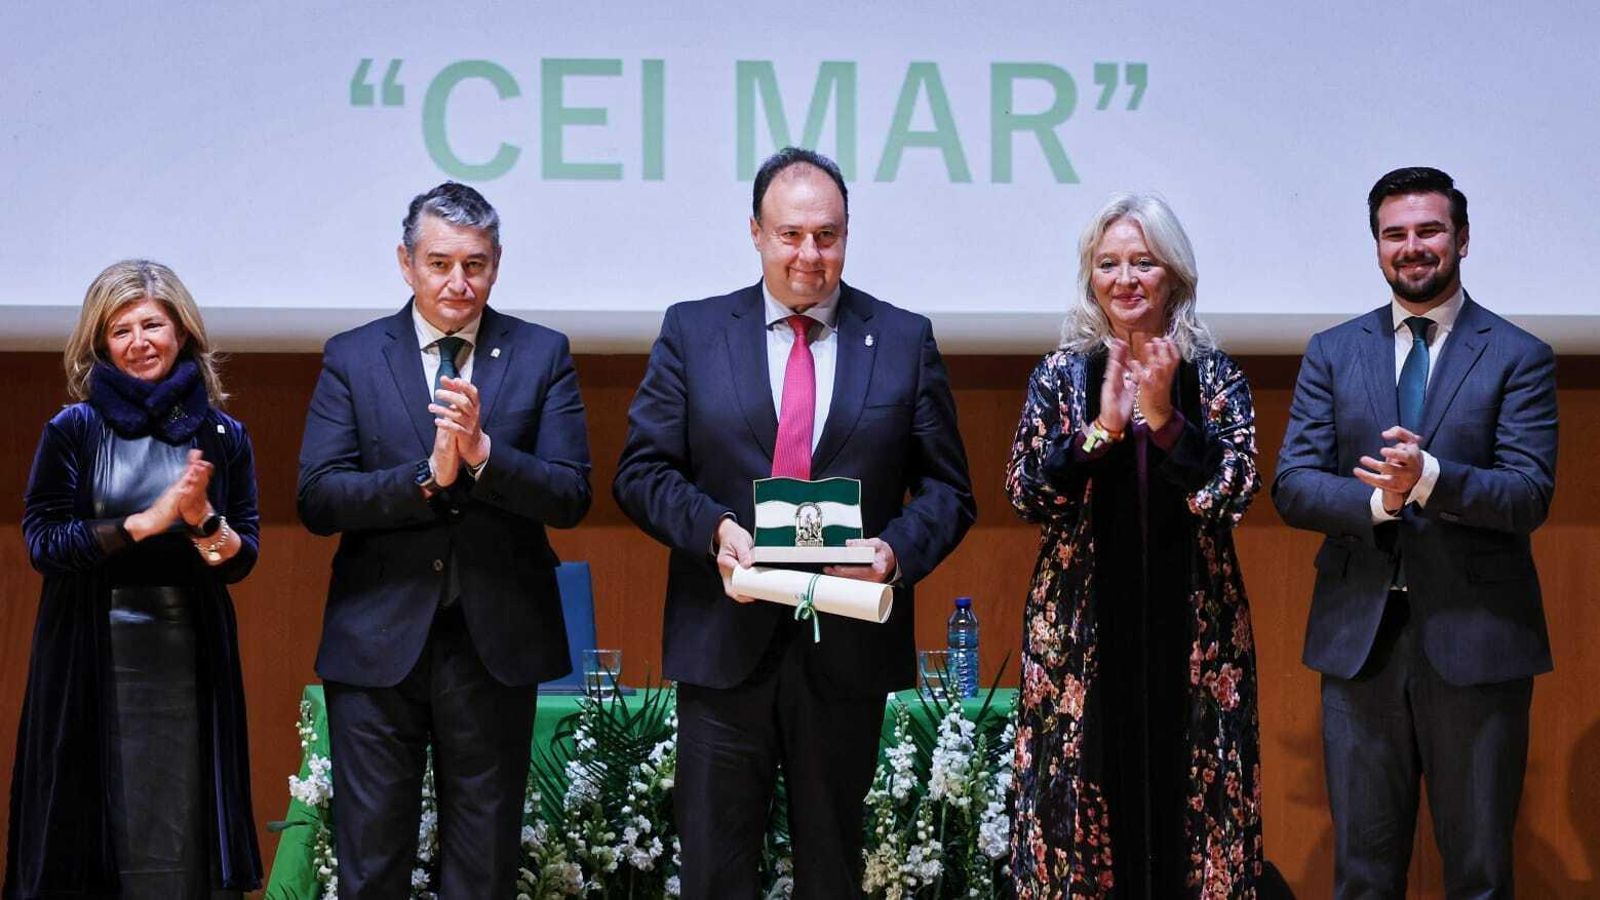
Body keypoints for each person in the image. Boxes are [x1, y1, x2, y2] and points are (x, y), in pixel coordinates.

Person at [613, 147, 975, 898]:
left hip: (845, 651)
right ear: (755, 232)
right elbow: (641, 472)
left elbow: (948, 490)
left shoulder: (904, 341)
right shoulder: (693, 331)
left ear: (847, 235)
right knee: (714, 872)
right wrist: (714, 527)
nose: (810, 254)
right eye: (791, 235)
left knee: (833, 872)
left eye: (828, 235)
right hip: (723, 647)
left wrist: (892, 552)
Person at [297, 182, 592, 897]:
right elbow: (318, 497)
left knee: (484, 865)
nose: (459, 282)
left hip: (495, 639)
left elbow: (570, 492)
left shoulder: (541, 353)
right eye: (439, 264)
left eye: (476, 264)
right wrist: (424, 480)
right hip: (376, 641)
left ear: (496, 264)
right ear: (406, 263)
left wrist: (485, 454)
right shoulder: (354, 356)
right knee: (371, 864)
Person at [1274, 167, 1557, 898]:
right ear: (1376, 247)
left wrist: (1430, 476)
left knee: (1479, 874)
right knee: (1364, 876)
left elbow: (1528, 494)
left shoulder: (1519, 355)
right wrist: (1380, 505)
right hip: (1359, 642)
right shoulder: (1332, 352)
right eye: (1395, 234)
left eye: (1429, 230)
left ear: (1461, 238)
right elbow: (1294, 484)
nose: (1413, 247)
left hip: (1479, 641)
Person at [1004, 194, 1265, 897]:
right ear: (1090, 277)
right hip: (1080, 645)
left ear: (1173, 276)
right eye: (1108, 263)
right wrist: (1104, 432)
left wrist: (1168, 424)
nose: (1125, 279)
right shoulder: (1062, 375)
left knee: (1194, 815)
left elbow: (1234, 493)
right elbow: (1027, 491)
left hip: (1196, 641)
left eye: (1142, 263)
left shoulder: (1212, 377)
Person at [5, 260, 262, 899]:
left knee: (184, 829)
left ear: (182, 333)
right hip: (89, 652)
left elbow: (241, 559)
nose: (138, 341)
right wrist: (144, 523)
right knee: (89, 832)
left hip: (190, 652)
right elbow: (43, 543)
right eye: (120, 330)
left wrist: (205, 522)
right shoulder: (74, 430)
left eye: (152, 324)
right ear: (100, 343)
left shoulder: (223, 434)